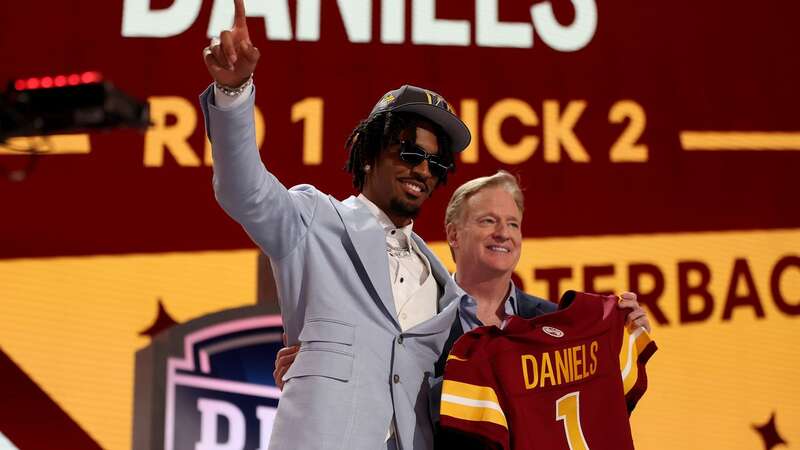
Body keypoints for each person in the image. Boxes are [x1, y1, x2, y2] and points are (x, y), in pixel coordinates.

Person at [200, 1, 471, 449]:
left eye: (435, 162)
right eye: (409, 153)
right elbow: (243, 190)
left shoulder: (443, 285)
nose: (423, 169)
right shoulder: (314, 220)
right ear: (368, 155)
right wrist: (234, 91)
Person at [275, 171, 652, 443]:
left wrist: (620, 344)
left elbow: (595, 413)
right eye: (488, 221)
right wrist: (319, 374)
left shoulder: (553, 322)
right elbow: (382, 388)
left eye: (513, 224)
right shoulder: (417, 316)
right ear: (453, 233)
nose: (503, 233)